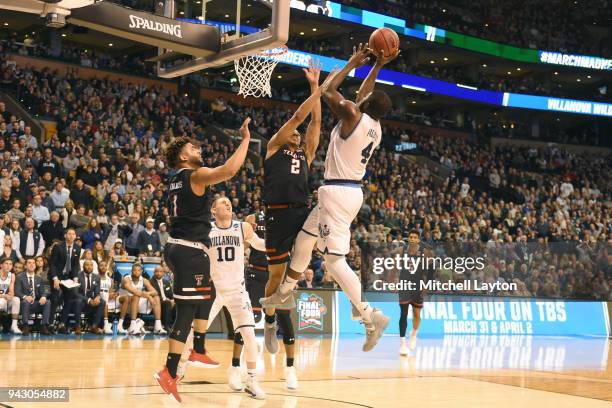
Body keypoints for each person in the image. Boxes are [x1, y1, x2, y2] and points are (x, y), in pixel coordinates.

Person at [265, 43, 398, 352]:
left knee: (334, 262)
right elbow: (366, 95)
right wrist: (376, 65)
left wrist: (352, 62)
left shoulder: (353, 113)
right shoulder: (374, 125)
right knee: (305, 238)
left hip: (339, 192)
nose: (359, 96)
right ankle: (284, 291)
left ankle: (370, 315)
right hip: (342, 192)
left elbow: (328, 89)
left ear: (362, 103)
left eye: (362, 97)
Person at [154, 116, 252, 404]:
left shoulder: (175, 180)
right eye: (193, 148)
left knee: (206, 293)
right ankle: (169, 372)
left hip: (182, 248)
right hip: (189, 250)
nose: (199, 150)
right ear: (184, 155)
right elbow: (230, 169)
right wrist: (245, 139)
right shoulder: (194, 175)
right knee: (185, 311)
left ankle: (198, 346)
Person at [259, 60, 329, 354]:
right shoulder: (274, 146)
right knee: (274, 276)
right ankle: (269, 321)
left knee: (298, 267)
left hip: (301, 213)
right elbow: (301, 116)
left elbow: (314, 123)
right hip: (276, 214)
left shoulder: (306, 154)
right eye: (294, 132)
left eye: (300, 135)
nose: (299, 135)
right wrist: (317, 89)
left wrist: (316, 88)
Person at [177, 197, 268, 398]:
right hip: (214, 291)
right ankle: (179, 366)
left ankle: (252, 379)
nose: (228, 204)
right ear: (213, 210)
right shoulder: (205, 230)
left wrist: (276, 245)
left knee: (250, 337)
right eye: (222, 202)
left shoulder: (243, 227)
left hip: (237, 291)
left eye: (229, 202)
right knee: (194, 333)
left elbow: (259, 245)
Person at [398, 230, 429, 355]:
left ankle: (414, 334)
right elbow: (394, 267)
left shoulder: (424, 253)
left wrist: (425, 285)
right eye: (410, 237)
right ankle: (402, 344)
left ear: (418, 240)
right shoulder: (402, 250)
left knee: (417, 314)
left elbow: (428, 271)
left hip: (418, 286)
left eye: (415, 237)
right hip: (404, 285)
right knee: (403, 313)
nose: (412, 239)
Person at [117, 263, 166, 335]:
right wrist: (148, 296)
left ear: (142, 271)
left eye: (139, 270)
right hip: (123, 303)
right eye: (135, 270)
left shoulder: (144, 280)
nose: (137, 272)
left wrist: (149, 295)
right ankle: (132, 325)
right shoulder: (126, 279)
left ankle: (158, 326)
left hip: (136, 303)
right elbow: (134, 291)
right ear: (131, 271)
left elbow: (155, 292)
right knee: (136, 296)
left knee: (156, 297)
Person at [48, 228, 81, 333]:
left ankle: (62, 324)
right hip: (56, 276)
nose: (71, 236)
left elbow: (75, 265)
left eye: (73, 234)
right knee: (55, 299)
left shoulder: (77, 248)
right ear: (65, 236)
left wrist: (75, 278)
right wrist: (55, 278)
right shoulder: (58, 246)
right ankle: (50, 324)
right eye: (69, 234)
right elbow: (52, 264)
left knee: (68, 300)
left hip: (68, 278)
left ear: (75, 236)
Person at [15, 258, 51, 335]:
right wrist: (25, 297)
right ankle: (25, 326)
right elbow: (17, 291)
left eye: (33, 263)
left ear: (35, 265)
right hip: (24, 304)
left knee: (47, 302)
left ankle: (44, 326)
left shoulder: (39, 278)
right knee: (25, 302)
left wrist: (43, 297)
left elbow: (44, 291)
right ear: (25, 266)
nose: (31, 265)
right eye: (29, 263)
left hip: (35, 303)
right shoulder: (19, 277)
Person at [74, 259, 105, 335]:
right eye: (87, 265)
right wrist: (88, 300)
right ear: (83, 266)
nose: (89, 267)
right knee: (78, 301)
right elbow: (75, 293)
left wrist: (97, 297)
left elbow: (97, 292)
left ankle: (94, 326)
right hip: (81, 301)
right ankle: (77, 326)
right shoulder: (77, 276)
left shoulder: (96, 277)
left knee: (102, 302)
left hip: (91, 302)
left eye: (91, 265)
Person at [149, 265, 174, 331]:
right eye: (157, 271)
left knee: (177, 303)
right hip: (156, 302)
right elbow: (153, 295)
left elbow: (171, 295)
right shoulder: (150, 282)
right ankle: (166, 325)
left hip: (166, 301)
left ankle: (174, 325)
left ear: (163, 273)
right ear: (154, 272)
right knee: (167, 303)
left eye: (161, 271)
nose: (159, 273)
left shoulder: (166, 282)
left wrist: (173, 300)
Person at [0, 258, 21, 334]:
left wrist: (10, 295)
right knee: (1, 303)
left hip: (5, 299)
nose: (8, 266)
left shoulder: (12, 275)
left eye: (10, 264)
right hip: (2, 299)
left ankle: (14, 326)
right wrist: (4, 296)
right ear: (1, 265)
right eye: (6, 263)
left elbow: (11, 290)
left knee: (16, 299)